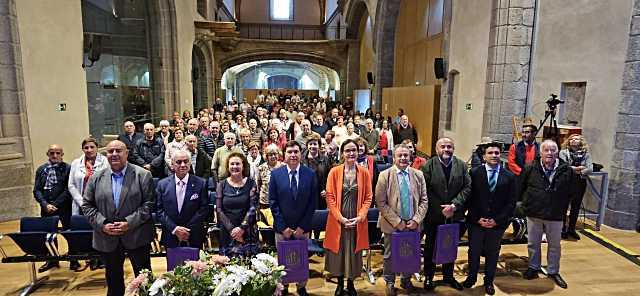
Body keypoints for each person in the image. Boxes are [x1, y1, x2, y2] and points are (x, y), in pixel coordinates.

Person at [82, 140, 155, 296]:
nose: (114, 154)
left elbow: (149, 205)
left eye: (118, 151)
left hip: (137, 235)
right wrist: (102, 224)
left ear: (126, 153)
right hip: (108, 237)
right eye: (110, 151)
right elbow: (87, 205)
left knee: (144, 282)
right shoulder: (96, 177)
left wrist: (129, 222)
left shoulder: (142, 175)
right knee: (114, 282)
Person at [463, 142, 518, 295]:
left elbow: (511, 202)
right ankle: (471, 277)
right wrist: (476, 218)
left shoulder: (509, 176)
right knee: (473, 251)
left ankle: (489, 281)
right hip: (476, 222)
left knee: (493, 253)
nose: (494, 155)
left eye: (497, 153)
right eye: (490, 153)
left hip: (497, 223)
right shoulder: (474, 173)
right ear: (484, 156)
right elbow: (469, 199)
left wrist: (498, 220)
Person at [521, 139, 576, 289]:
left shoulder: (567, 171)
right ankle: (533, 267)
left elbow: (572, 192)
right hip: (534, 212)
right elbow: (521, 188)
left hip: (556, 214)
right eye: (546, 150)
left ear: (557, 153)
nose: (550, 153)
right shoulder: (530, 168)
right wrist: (525, 205)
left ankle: (553, 271)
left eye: (553, 150)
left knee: (554, 245)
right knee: (533, 243)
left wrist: (565, 208)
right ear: (541, 153)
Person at [375, 144, 429, 296]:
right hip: (392, 224)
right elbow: (380, 202)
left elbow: (424, 200)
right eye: (400, 155)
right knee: (389, 255)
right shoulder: (385, 175)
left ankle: (406, 279)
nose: (404, 158)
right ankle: (390, 282)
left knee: (410, 253)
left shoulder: (418, 175)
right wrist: (397, 222)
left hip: (413, 224)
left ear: (410, 157)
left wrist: (417, 220)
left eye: (406, 155)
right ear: (394, 158)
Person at [324, 139, 373, 296]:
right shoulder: (334, 172)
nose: (351, 153)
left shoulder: (364, 172)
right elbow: (330, 197)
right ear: (342, 153)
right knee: (339, 252)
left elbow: (368, 197)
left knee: (353, 252)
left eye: (354, 150)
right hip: (338, 219)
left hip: (357, 219)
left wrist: (360, 216)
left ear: (358, 152)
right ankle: (339, 283)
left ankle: (351, 283)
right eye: (348, 150)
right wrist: (340, 218)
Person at [269, 141, 318, 296]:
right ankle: (284, 287)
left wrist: (302, 227)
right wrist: (283, 227)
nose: (293, 155)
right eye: (289, 152)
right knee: (284, 260)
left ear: (300, 154)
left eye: (296, 152)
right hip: (282, 229)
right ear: (284, 155)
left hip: (302, 229)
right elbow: (273, 203)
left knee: (301, 259)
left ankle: (301, 286)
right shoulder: (276, 174)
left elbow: (313, 203)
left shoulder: (310, 174)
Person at [420, 137, 470, 291]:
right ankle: (429, 276)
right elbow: (424, 190)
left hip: (454, 215)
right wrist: (441, 208)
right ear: (437, 149)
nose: (446, 149)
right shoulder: (428, 166)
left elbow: (467, 187)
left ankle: (448, 277)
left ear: (453, 149)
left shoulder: (461, 165)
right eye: (443, 146)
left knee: (450, 246)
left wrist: (454, 206)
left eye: (449, 146)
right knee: (430, 246)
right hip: (434, 215)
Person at [68, 138, 108, 271]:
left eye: (92, 147)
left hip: (99, 203)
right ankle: (90, 258)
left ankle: (101, 258)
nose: (89, 150)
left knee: (99, 230)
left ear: (97, 148)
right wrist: (82, 202)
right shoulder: (75, 163)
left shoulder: (105, 162)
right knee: (85, 231)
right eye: (86, 147)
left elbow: (108, 181)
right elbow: (71, 185)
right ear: (83, 149)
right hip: (81, 204)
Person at [155, 150, 209, 249]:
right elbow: (159, 210)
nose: (183, 165)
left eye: (186, 161)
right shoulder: (162, 184)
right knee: (173, 264)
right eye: (179, 162)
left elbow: (203, 209)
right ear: (172, 165)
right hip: (171, 235)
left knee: (195, 264)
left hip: (193, 235)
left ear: (190, 163)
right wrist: (175, 229)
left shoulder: (201, 183)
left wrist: (185, 230)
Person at [34, 144, 72, 272]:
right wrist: (45, 204)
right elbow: (37, 190)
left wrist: (55, 204)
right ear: (47, 154)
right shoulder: (41, 170)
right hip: (46, 208)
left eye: (57, 153)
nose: (55, 155)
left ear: (62, 154)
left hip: (63, 207)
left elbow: (68, 189)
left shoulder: (68, 168)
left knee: (69, 233)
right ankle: (52, 260)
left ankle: (73, 259)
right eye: (52, 153)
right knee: (48, 235)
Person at [216, 152, 259, 257]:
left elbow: (253, 208)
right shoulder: (221, 185)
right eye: (232, 164)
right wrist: (232, 230)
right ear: (227, 166)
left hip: (247, 232)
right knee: (227, 269)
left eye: (238, 164)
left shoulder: (251, 183)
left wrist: (241, 228)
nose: (235, 166)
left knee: (249, 269)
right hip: (227, 232)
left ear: (243, 166)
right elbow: (219, 209)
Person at [559, 134, 593, 240]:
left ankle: (571, 229)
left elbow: (590, 168)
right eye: (571, 139)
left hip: (580, 182)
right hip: (566, 182)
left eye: (576, 139)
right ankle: (562, 229)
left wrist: (577, 170)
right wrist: (577, 169)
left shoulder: (586, 154)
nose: (573, 140)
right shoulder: (563, 152)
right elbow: (563, 167)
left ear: (581, 141)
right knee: (563, 206)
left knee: (576, 207)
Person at [301, 134, 331, 210]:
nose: (312, 146)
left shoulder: (325, 159)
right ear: (307, 145)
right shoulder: (301, 159)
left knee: (320, 218)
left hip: (321, 195)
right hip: (306, 195)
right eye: (310, 144)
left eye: (315, 144)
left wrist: (327, 189)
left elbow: (329, 176)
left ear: (319, 145)